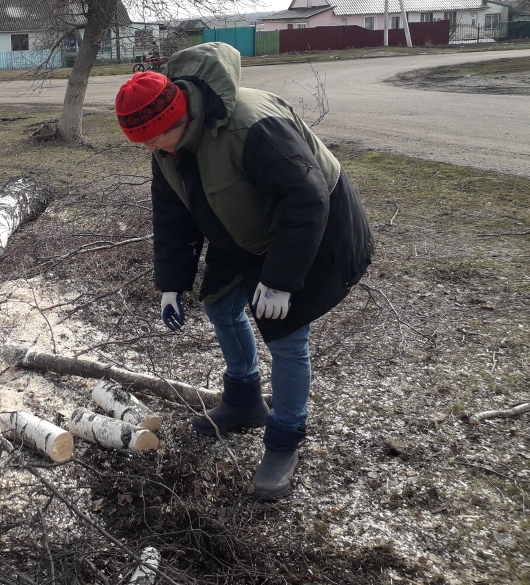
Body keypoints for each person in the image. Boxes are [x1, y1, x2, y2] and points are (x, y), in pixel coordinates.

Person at [114, 42, 374, 501]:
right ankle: (243, 400)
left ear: (181, 119)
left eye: (154, 140)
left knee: (286, 334)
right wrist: (171, 285)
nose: (150, 149)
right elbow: (172, 215)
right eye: (144, 143)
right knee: (221, 302)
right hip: (242, 221)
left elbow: (307, 198)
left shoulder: (252, 126)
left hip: (313, 225)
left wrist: (280, 281)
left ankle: (285, 439)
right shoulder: (167, 147)